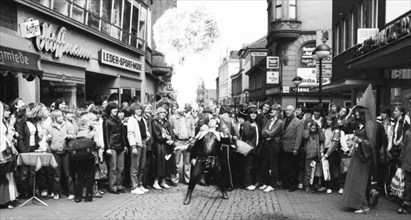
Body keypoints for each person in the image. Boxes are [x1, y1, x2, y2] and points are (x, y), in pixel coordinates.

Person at [180, 118, 231, 205]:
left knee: (218, 177)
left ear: (217, 125)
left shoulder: (220, 134)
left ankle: (223, 190)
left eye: (214, 121)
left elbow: (227, 142)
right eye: (210, 121)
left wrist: (226, 133)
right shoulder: (201, 134)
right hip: (201, 158)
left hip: (214, 159)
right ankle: (188, 194)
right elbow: (195, 146)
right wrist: (193, 157)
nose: (211, 121)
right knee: (194, 175)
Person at [46, 109, 76, 200]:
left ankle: (71, 192)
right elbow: (46, 139)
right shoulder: (49, 127)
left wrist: (69, 136)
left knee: (68, 173)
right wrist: (48, 139)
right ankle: (56, 192)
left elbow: (74, 135)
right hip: (55, 152)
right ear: (54, 118)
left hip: (65, 151)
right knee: (56, 174)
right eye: (59, 116)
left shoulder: (67, 125)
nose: (61, 117)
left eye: (61, 115)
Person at [70, 114, 97, 203]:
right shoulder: (92, 133)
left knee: (79, 176)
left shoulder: (76, 133)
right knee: (90, 176)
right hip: (89, 156)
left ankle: (78, 196)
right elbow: (99, 144)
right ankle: (88, 196)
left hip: (78, 157)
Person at [103, 102, 127, 194]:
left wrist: (124, 145)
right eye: (114, 109)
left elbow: (122, 134)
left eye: (116, 108)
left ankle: (119, 185)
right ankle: (113, 186)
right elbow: (106, 135)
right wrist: (108, 147)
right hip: (112, 145)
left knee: (121, 167)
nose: (116, 110)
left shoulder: (118, 120)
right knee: (113, 168)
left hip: (120, 145)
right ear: (110, 110)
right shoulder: (107, 120)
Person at [127, 103, 150, 194]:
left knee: (142, 166)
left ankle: (140, 184)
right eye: (137, 109)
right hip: (136, 144)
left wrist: (148, 136)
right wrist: (133, 146)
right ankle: (134, 186)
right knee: (135, 166)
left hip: (143, 143)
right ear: (133, 110)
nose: (139, 111)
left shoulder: (143, 119)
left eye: (140, 109)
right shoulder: (131, 120)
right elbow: (130, 133)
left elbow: (146, 130)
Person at [260, 104, 283, 192]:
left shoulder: (280, 122)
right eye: (271, 109)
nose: (271, 111)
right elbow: (263, 132)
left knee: (273, 164)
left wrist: (269, 133)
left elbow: (271, 134)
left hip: (274, 144)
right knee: (266, 164)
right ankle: (266, 182)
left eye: (273, 110)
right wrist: (268, 133)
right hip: (267, 142)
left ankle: (272, 184)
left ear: (278, 111)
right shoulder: (270, 120)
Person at [169, 104, 195, 185]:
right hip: (178, 141)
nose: (181, 110)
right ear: (176, 109)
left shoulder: (189, 117)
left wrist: (192, 137)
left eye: (182, 108)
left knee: (187, 162)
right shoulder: (172, 117)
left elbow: (193, 128)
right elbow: (169, 129)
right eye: (179, 108)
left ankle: (187, 179)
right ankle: (175, 179)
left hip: (187, 141)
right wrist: (173, 132)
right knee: (176, 162)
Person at [0, 102, 19, 209]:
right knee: (5, 175)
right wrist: (11, 127)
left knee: (7, 175)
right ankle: (6, 199)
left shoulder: (3, 122)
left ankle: (8, 198)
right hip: (3, 152)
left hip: (5, 151)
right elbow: (5, 138)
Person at [151, 107, 175, 190]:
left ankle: (163, 181)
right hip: (159, 145)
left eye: (164, 113)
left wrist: (172, 140)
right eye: (160, 113)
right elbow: (157, 135)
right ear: (157, 114)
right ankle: (156, 182)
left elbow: (172, 132)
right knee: (158, 164)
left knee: (166, 163)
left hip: (167, 146)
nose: (162, 114)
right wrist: (165, 140)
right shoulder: (154, 122)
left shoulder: (167, 122)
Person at [321, 114, 341, 194]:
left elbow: (334, 143)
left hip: (332, 152)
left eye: (329, 120)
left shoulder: (336, 130)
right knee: (324, 168)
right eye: (327, 120)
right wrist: (322, 152)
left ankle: (331, 186)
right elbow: (322, 141)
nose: (328, 121)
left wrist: (327, 154)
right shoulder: (324, 129)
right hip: (324, 150)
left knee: (331, 169)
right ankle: (325, 185)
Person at [242, 106, 260, 191]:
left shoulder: (255, 123)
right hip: (249, 148)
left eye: (255, 113)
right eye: (251, 113)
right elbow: (247, 135)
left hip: (255, 148)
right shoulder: (247, 123)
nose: (253, 115)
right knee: (248, 166)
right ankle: (247, 184)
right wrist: (252, 128)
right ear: (249, 114)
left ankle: (252, 182)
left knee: (252, 166)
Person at [302, 121, 324, 193]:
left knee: (314, 172)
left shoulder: (317, 134)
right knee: (308, 171)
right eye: (312, 128)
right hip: (309, 154)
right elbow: (305, 136)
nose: (313, 130)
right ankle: (307, 185)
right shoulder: (307, 133)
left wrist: (320, 129)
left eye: (315, 128)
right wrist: (308, 129)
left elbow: (322, 138)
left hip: (316, 155)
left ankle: (313, 185)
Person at [397, 126, 411, 214]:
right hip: (408, 162)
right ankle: (406, 203)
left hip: (407, 161)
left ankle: (406, 203)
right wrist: (401, 158)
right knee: (408, 183)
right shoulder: (408, 133)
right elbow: (404, 147)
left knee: (408, 183)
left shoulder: (408, 133)